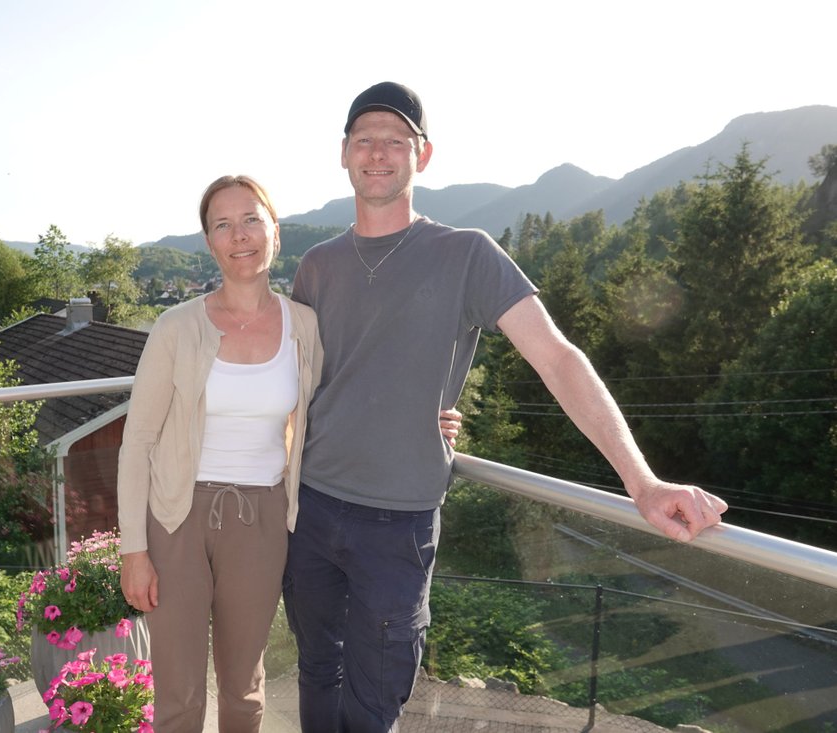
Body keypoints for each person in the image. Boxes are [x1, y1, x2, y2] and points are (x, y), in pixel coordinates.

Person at [283, 81, 730, 733]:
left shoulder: (466, 253)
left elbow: (558, 358)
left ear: (422, 155)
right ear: (344, 153)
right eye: (364, 139)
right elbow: (299, 384)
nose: (378, 152)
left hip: (397, 524)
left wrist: (642, 481)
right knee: (317, 670)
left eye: (395, 140)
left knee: (375, 703)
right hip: (310, 508)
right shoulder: (317, 266)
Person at [116, 175, 324, 732]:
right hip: (176, 518)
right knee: (179, 693)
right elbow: (137, 442)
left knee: (244, 687)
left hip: (262, 519)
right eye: (223, 225)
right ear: (210, 242)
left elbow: (338, 405)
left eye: (252, 219)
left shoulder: (304, 327)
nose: (240, 235)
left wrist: (431, 415)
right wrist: (134, 550)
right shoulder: (176, 327)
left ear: (275, 231)